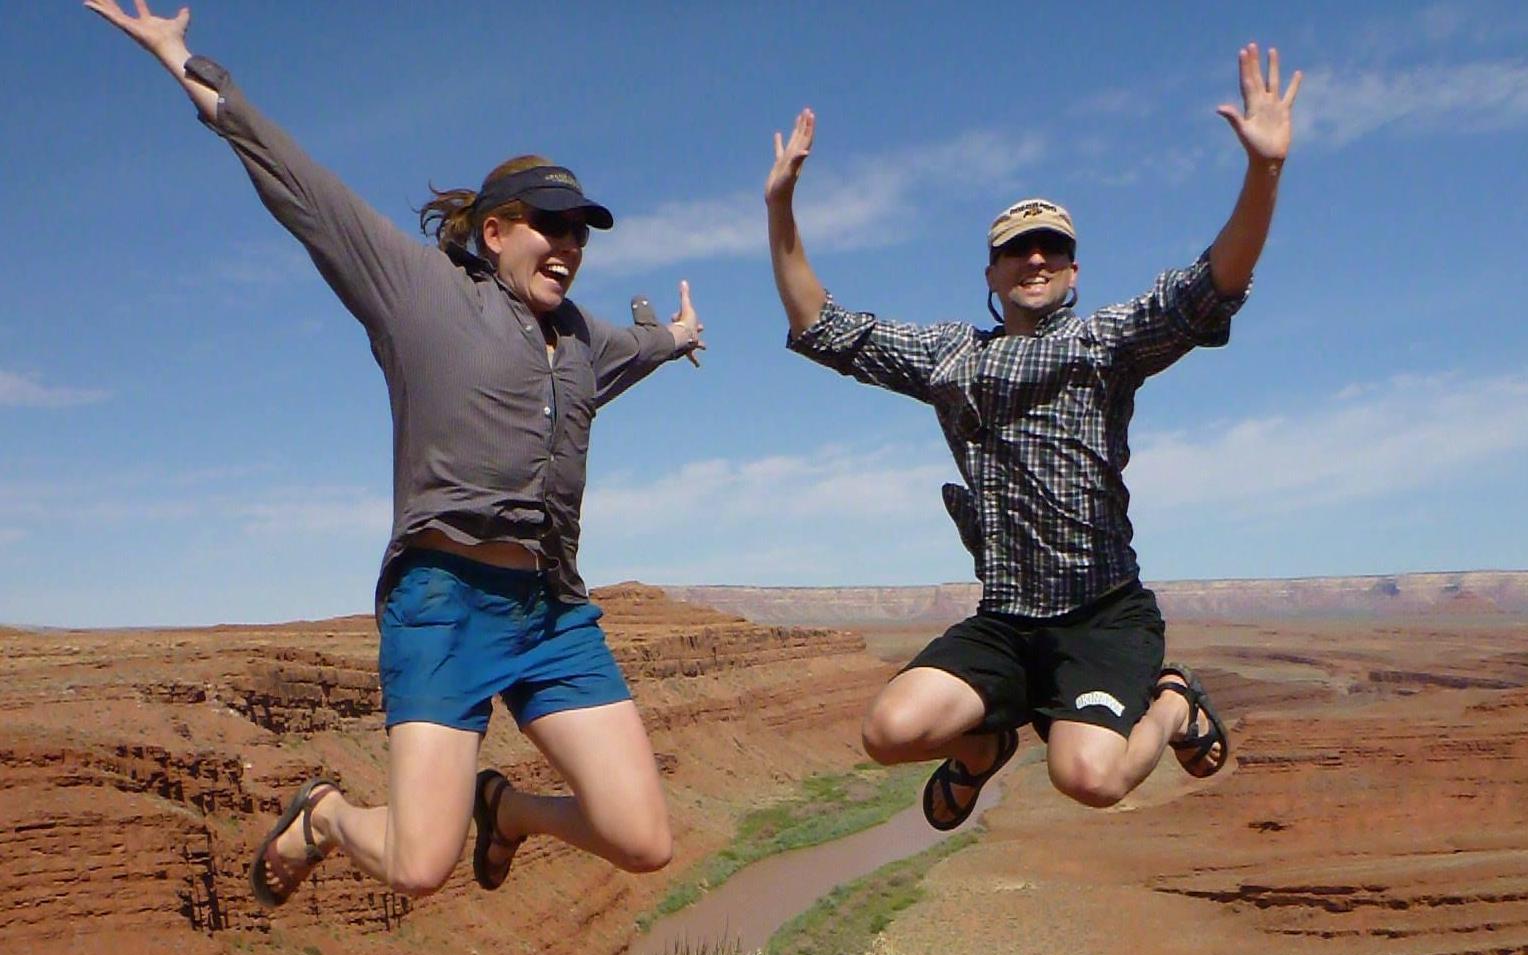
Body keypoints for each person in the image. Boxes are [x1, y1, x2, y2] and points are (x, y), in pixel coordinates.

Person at [86, 1, 705, 909]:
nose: (569, 245)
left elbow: (634, 354)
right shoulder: (419, 293)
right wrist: (184, 61)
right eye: (552, 224)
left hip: (550, 608)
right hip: (443, 602)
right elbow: (303, 189)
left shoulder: (579, 339)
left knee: (643, 839)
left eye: (581, 232)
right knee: (420, 867)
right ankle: (328, 814)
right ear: (495, 231)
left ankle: (511, 811)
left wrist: (676, 334)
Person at [765, 44, 1300, 830]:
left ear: (1075, 272)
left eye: (1053, 247)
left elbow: (1215, 283)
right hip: (1008, 619)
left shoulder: (1105, 343)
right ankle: (983, 752)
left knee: (1089, 778)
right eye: (1017, 248)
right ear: (991, 274)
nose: (1036, 256)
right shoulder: (953, 357)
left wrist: (1265, 172)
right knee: (888, 732)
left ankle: (1176, 708)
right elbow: (822, 326)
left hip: (1102, 615)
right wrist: (781, 208)